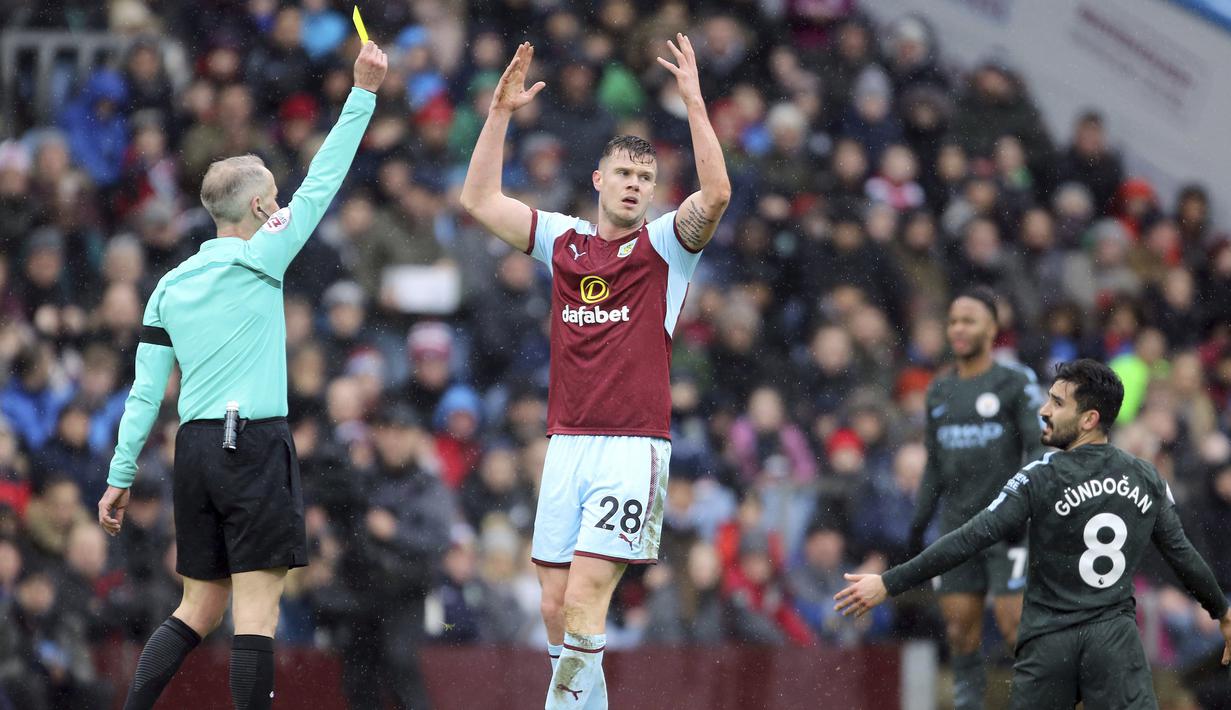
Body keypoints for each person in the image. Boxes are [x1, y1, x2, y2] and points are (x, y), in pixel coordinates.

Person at [96, 42, 387, 710]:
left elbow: (145, 391)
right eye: (273, 199)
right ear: (259, 210)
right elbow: (324, 179)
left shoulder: (168, 286)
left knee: (199, 604)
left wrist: (119, 477)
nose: (283, 205)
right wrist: (363, 93)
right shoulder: (260, 257)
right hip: (250, 440)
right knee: (256, 611)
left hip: (194, 449)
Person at [459, 36, 730, 709]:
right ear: (599, 182)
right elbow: (478, 200)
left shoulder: (665, 246)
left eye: (646, 178)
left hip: (632, 447)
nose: (636, 186)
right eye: (625, 175)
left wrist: (694, 103)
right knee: (554, 604)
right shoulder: (564, 240)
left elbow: (717, 193)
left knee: (583, 598)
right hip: (567, 444)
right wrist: (498, 114)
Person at [836, 359, 1231, 709]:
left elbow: (968, 539)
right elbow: (1183, 556)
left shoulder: (1040, 477)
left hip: (1051, 644)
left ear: (1089, 419)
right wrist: (1222, 612)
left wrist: (889, 582)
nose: (1044, 411)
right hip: (1114, 645)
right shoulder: (1147, 477)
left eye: (1058, 404)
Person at [907, 286, 1045, 710]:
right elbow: (934, 465)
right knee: (960, 632)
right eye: (952, 321)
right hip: (958, 526)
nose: (958, 329)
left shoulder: (1014, 380)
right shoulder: (939, 390)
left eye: (969, 320)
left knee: (1015, 627)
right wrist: (917, 528)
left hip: (1008, 527)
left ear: (992, 327)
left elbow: (1037, 447)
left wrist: (1023, 504)